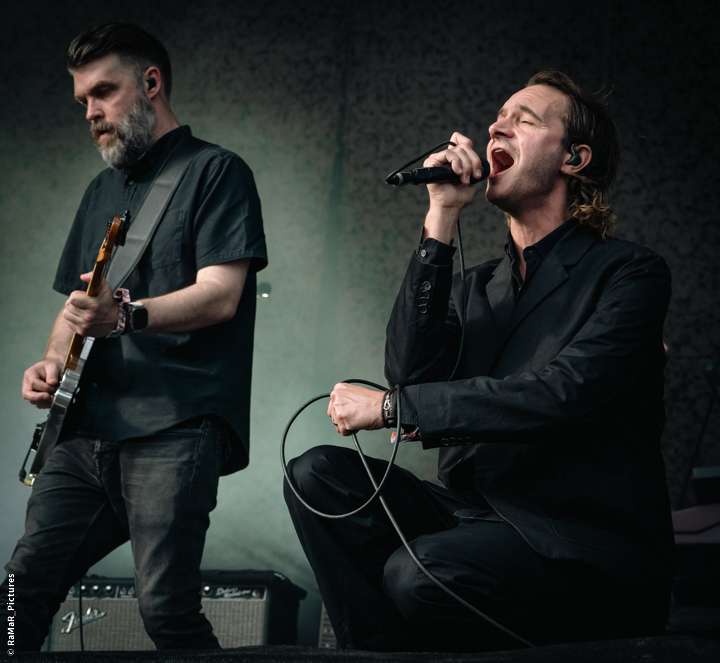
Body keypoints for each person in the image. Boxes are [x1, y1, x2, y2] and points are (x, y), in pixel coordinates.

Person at [284, 71, 675, 652]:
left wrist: (391, 409)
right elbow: (410, 376)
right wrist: (441, 216)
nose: (496, 126)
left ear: (574, 158)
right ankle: (375, 652)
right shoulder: (475, 287)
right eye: (498, 117)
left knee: (422, 571)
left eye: (524, 119)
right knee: (316, 476)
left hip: (578, 544)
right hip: (472, 519)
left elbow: (562, 395)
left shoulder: (629, 274)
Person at [2, 23, 267, 650]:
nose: (90, 113)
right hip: (86, 429)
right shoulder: (100, 190)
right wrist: (50, 362)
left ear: (150, 83)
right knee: (17, 591)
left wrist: (125, 317)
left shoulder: (216, 171)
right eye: (82, 101)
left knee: (165, 608)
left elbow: (221, 295)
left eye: (103, 92)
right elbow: (76, 306)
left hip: (174, 427)